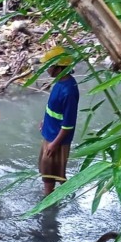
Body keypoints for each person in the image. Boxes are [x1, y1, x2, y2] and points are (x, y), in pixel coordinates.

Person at [39, 46, 79, 196]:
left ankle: (48, 201)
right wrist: (45, 121)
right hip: (50, 134)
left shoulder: (68, 91)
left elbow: (68, 124)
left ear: (59, 67)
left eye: (49, 66)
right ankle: (67, 191)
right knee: (49, 171)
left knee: (50, 175)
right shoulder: (60, 82)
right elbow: (55, 109)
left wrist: (54, 144)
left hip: (57, 140)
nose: (46, 69)